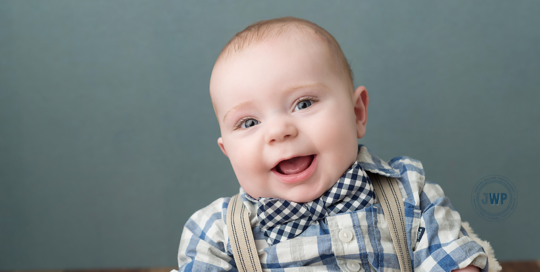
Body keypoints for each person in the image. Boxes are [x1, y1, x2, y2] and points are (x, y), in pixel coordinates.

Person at [176, 17, 489, 271]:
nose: (279, 131)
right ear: (227, 152)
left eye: (303, 104)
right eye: (249, 123)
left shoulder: (410, 195)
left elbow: (452, 261)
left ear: (357, 113)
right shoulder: (217, 235)